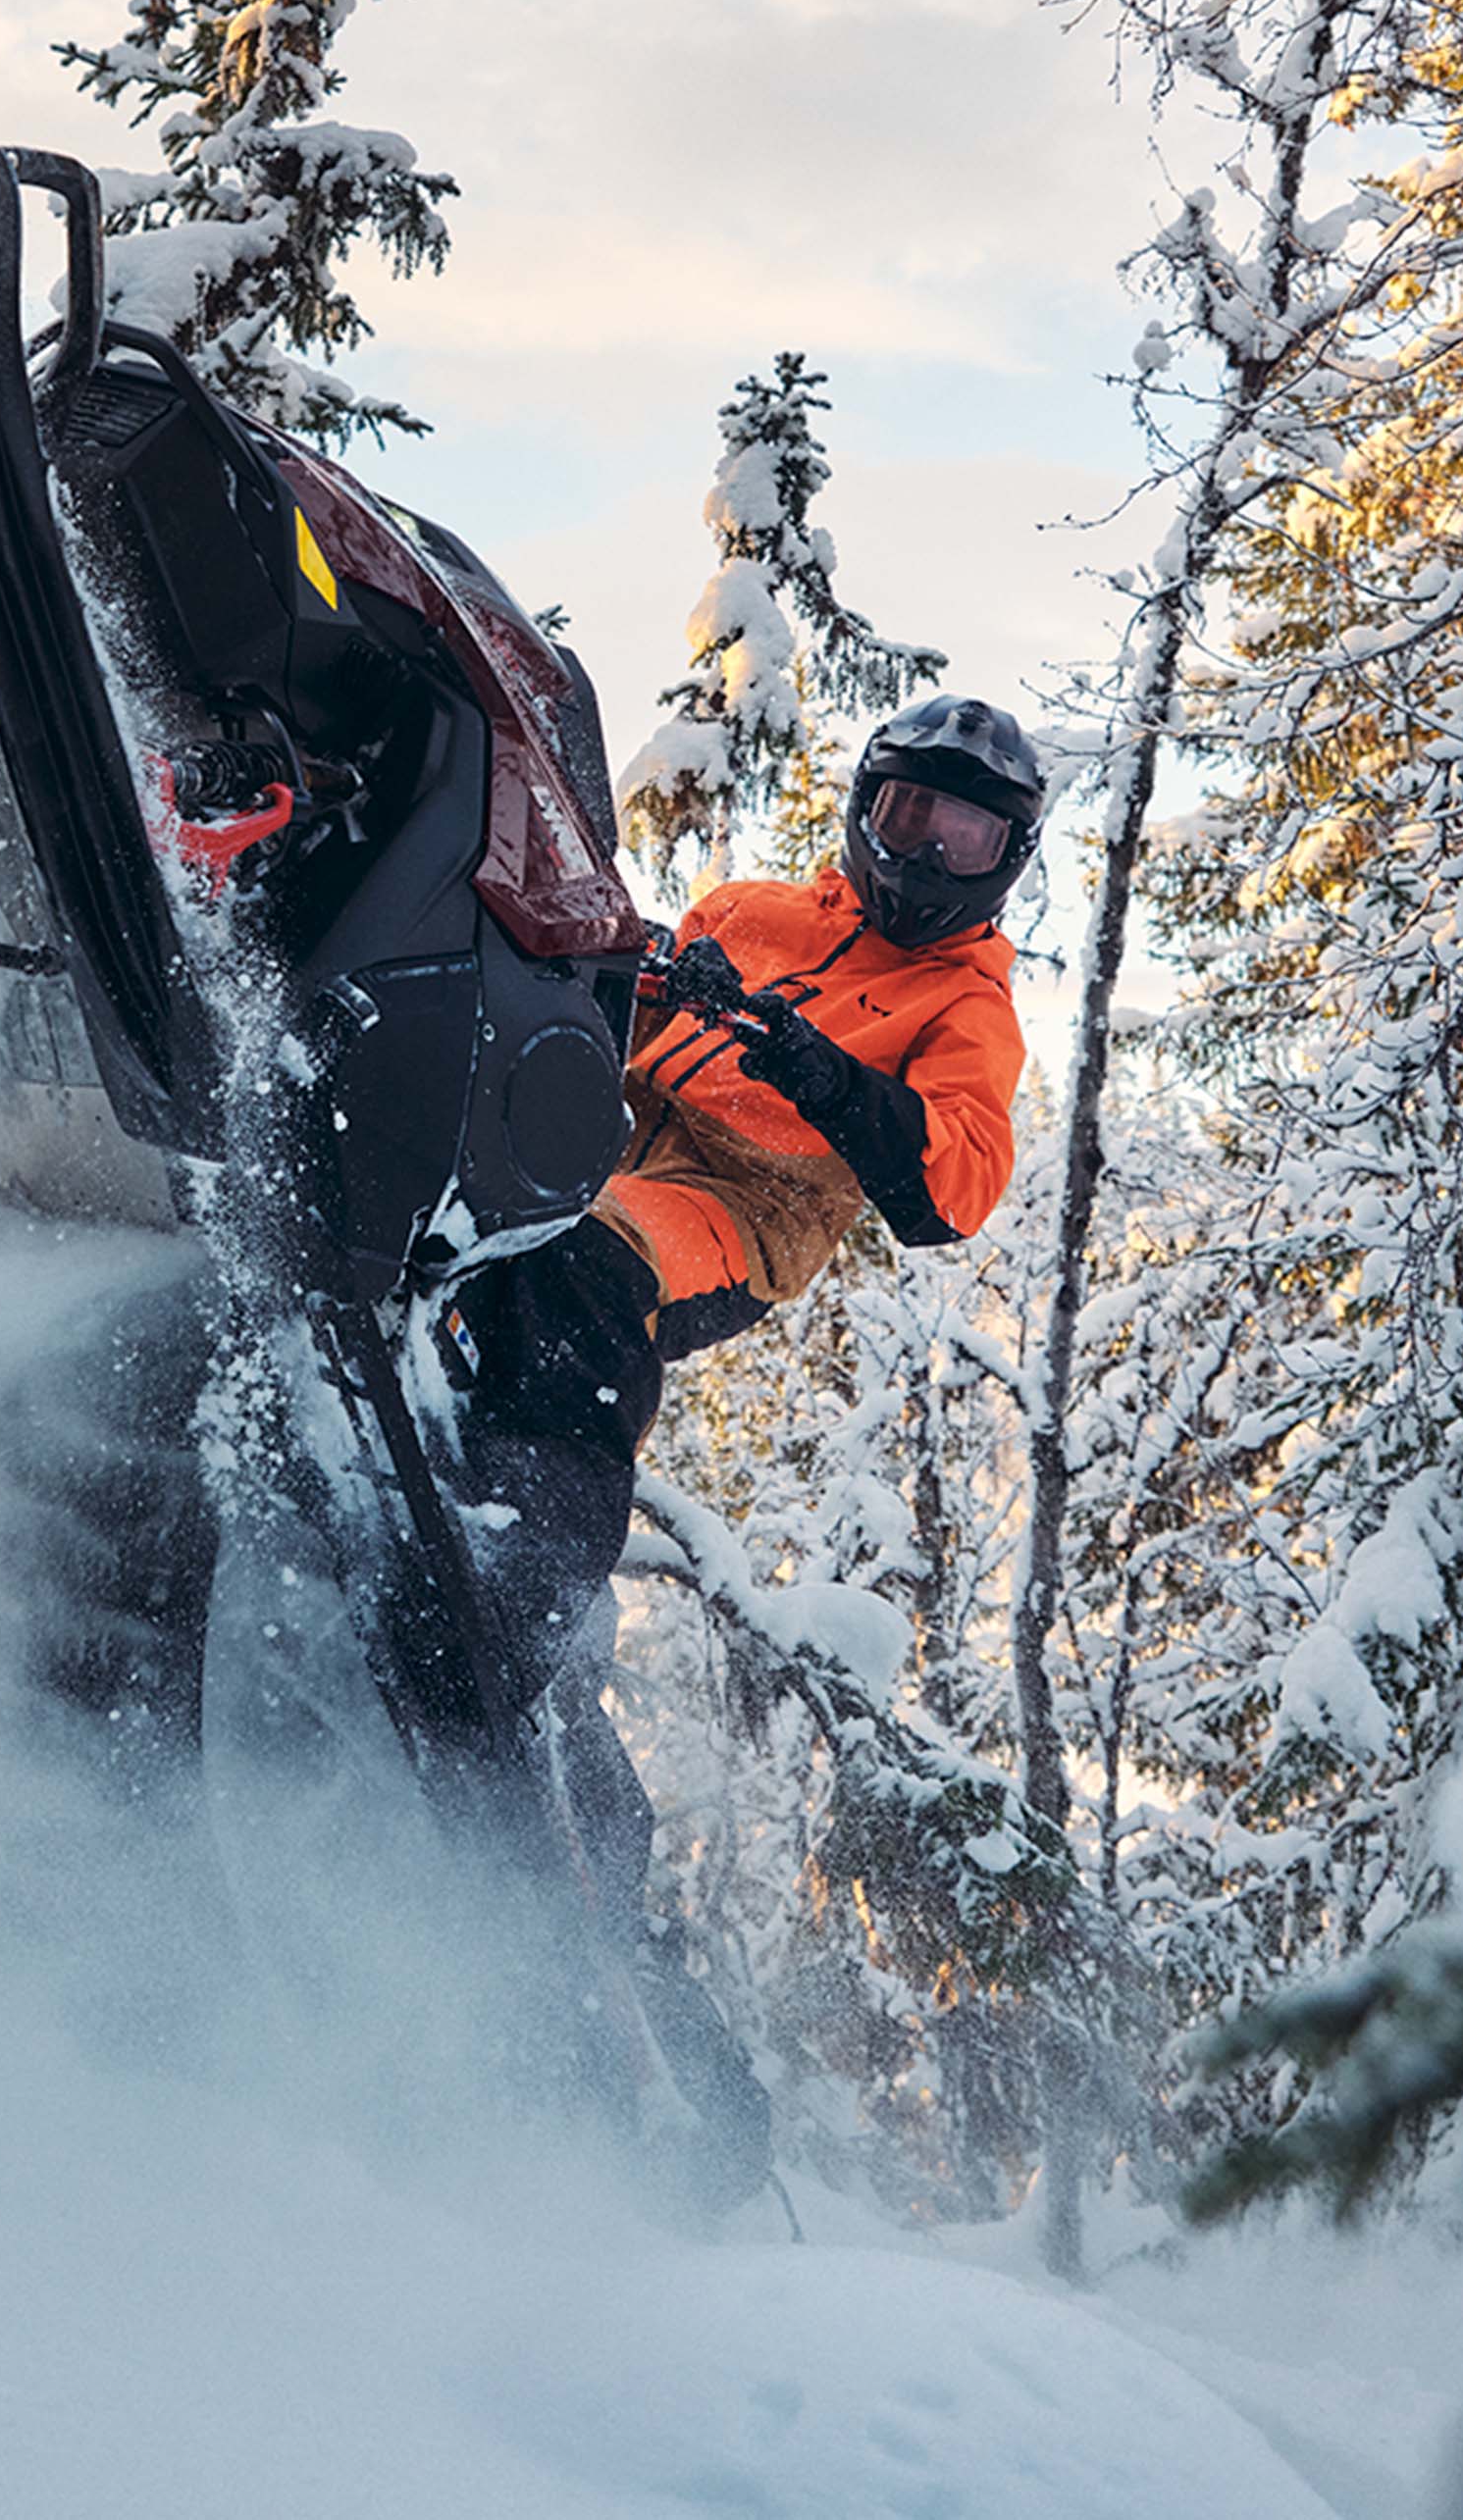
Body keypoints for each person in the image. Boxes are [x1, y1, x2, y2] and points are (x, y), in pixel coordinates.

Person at [436, 694, 1045, 2174]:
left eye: (963, 834)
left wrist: (832, 1078)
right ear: (869, 806)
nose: (928, 854)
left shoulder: (968, 1008)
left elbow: (953, 1188)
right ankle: (420, 1427)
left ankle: (522, 1594)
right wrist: (636, 966)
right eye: (912, 814)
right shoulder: (760, 907)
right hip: (608, 1105)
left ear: (1003, 860)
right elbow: (611, 971)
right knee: (453, 1224)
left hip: (747, 1199)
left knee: (586, 1276)